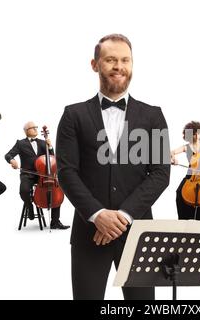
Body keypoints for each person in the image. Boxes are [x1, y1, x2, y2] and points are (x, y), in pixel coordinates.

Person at [56, 34, 170, 300]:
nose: (119, 66)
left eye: (125, 60)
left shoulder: (153, 115)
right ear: (95, 64)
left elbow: (161, 174)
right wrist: (98, 215)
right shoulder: (73, 115)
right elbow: (66, 172)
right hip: (89, 232)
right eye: (111, 60)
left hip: (138, 233)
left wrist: (122, 217)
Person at [5, 122, 69, 230]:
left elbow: (52, 159)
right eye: (32, 128)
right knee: (24, 190)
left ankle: (55, 222)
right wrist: (12, 160)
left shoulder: (42, 142)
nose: (35, 129)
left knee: (56, 192)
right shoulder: (20, 143)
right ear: (26, 131)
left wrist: (50, 147)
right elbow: (8, 154)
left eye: (36, 127)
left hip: (44, 174)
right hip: (28, 174)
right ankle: (30, 207)